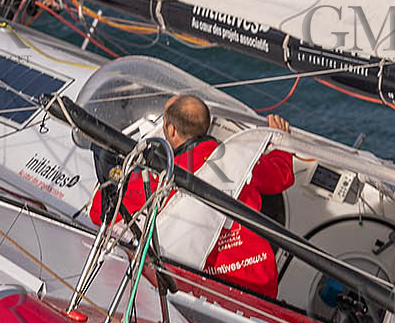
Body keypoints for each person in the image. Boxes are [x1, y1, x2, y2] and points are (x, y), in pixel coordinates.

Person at [88, 94, 293, 299]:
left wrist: (119, 175)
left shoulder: (158, 176)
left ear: (170, 130)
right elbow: (282, 175)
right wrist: (281, 141)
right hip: (261, 281)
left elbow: (101, 212)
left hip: (208, 287)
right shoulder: (242, 160)